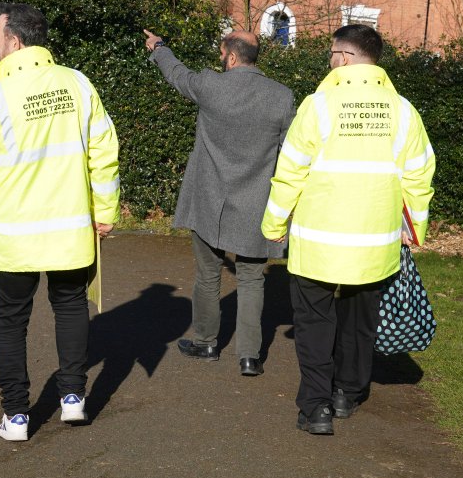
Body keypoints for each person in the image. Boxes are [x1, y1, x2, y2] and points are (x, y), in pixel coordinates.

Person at [0, 3, 120, 442]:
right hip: (70, 231)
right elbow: (104, 153)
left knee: (10, 319)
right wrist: (104, 213)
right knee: (69, 307)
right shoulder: (78, 84)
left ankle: (16, 415)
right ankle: (73, 399)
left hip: (14, 235)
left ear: (16, 41)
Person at [262, 24, 434, 435]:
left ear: (344, 57)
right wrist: (416, 229)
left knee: (314, 322)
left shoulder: (318, 105)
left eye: (331, 53)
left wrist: (274, 222)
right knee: (360, 321)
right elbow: (419, 175)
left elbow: (290, 172)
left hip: (318, 241)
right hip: (375, 242)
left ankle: (316, 408)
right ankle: (346, 393)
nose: (330, 59)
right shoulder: (403, 110)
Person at [144, 27, 294, 376]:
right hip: (258, 202)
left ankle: (206, 343)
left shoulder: (211, 86)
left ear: (230, 57)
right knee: (253, 279)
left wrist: (159, 46)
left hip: (209, 198)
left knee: (208, 274)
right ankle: (249, 357)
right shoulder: (282, 96)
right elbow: (291, 154)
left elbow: (176, 74)